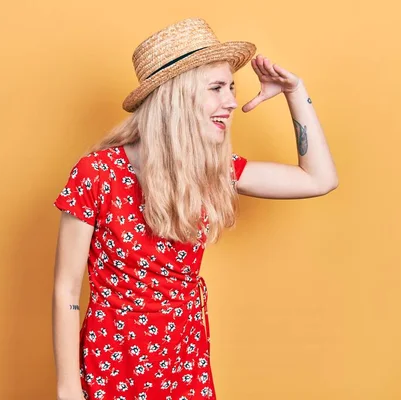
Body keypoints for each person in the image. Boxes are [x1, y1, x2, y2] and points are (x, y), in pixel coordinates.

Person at [52, 17, 338, 400]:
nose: (231, 101)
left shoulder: (212, 171)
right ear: (177, 97)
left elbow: (319, 179)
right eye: (217, 88)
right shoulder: (98, 173)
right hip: (115, 360)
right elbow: (67, 287)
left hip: (184, 353)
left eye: (232, 87)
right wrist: (69, 389)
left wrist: (295, 92)